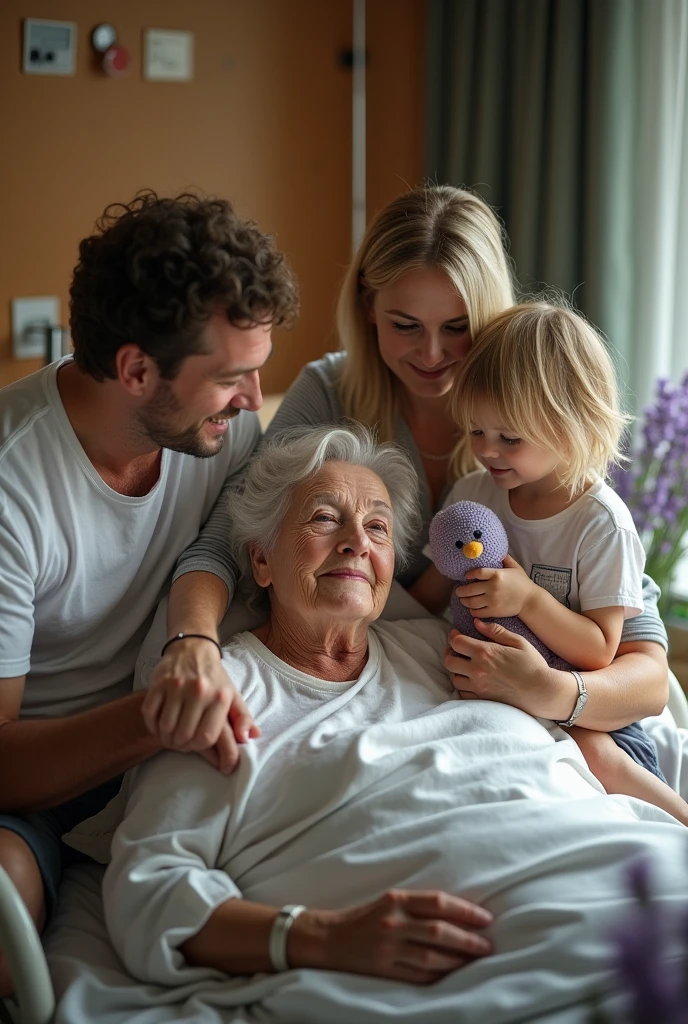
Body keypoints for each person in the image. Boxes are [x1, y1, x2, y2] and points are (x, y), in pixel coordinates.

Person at [97, 427, 688, 1023]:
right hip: (510, 963)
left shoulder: (450, 648)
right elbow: (149, 888)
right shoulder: (222, 691)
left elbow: (603, 727)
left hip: (640, 879)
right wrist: (321, 936)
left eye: (378, 527)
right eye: (325, 519)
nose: (357, 542)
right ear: (261, 559)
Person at [154, 185, 669, 768]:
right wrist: (192, 642)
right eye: (404, 325)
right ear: (367, 307)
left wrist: (556, 694)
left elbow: (641, 662)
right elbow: (229, 542)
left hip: (533, 687)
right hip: (409, 678)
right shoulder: (328, 394)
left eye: (457, 327)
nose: (432, 355)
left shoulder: (540, 423)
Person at [0, 190, 298, 993]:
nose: (251, 399)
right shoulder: (12, 487)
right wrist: (159, 715)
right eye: (234, 378)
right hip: (48, 771)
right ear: (135, 368)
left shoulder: (225, 431)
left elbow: (238, 560)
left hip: (179, 741)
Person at [410, 303, 688, 826]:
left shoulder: (600, 524)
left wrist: (529, 600)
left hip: (589, 708)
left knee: (596, 756)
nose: (488, 452)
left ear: (570, 428)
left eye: (509, 438)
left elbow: (601, 649)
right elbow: (427, 594)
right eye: (475, 431)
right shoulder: (475, 493)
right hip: (500, 692)